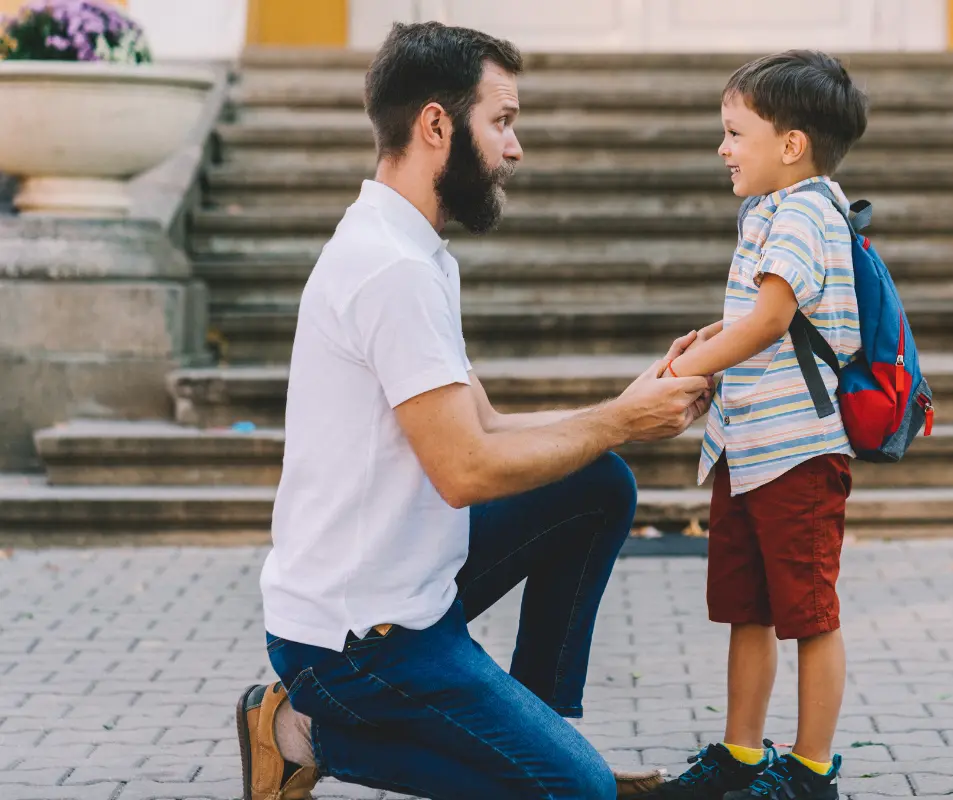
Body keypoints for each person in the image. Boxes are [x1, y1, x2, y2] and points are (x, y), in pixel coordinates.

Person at [233, 22, 712, 800]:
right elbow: (466, 470)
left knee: (598, 484)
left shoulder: (412, 248)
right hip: (356, 644)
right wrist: (622, 421)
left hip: (405, 586)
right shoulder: (390, 269)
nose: (514, 149)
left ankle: (541, 732)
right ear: (435, 125)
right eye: (502, 122)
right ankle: (299, 732)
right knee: (580, 794)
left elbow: (483, 427)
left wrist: (624, 407)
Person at [641, 51, 869, 800]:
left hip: (798, 452)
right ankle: (742, 756)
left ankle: (809, 773)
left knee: (808, 615)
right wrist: (709, 337)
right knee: (749, 609)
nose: (724, 147)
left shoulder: (807, 209)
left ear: (791, 145)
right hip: (748, 447)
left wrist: (684, 371)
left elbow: (772, 320)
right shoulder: (772, 209)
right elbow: (765, 313)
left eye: (736, 132)